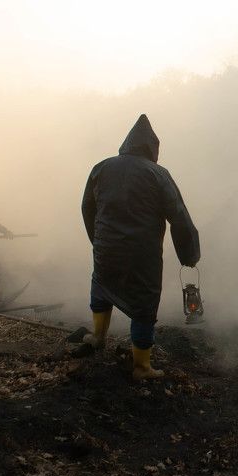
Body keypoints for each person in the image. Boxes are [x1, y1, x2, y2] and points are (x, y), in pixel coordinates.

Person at [81, 114, 200, 380]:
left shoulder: (100, 168)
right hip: (141, 255)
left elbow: (87, 208)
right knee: (144, 303)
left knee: (101, 288)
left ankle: (98, 337)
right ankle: (142, 367)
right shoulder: (158, 174)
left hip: (106, 249)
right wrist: (189, 255)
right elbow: (178, 215)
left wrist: (98, 241)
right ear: (152, 148)